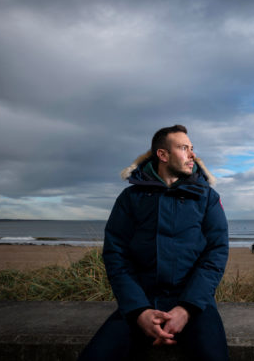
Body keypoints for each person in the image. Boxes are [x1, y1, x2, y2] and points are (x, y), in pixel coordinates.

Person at [79, 125, 229, 361]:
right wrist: (139, 311)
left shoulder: (207, 197)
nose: (193, 155)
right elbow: (115, 254)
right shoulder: (131, 198)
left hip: (195, 305)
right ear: (163, 154)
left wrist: (186, 308)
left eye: (192, 149)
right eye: (183, 148)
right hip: (141, 302)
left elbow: (216, 253)